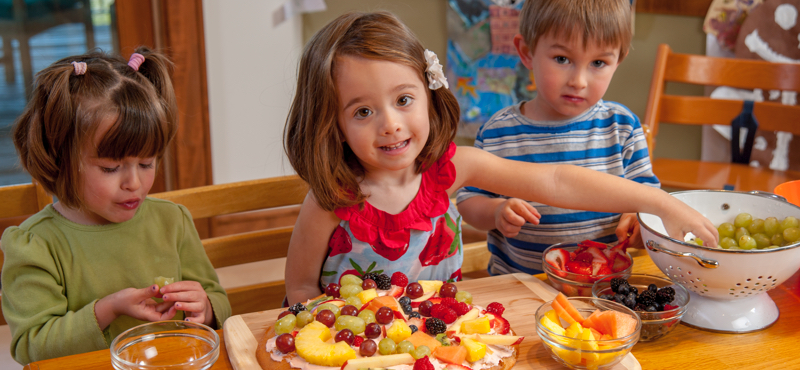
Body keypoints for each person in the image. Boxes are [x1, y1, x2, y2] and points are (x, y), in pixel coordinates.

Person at [282, 11, 718, 305]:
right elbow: (299, 287)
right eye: (363, 111)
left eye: (403, 99)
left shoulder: (453, 169)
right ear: (332, 123)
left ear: (430, 98)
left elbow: (558, 182)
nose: (391, 124)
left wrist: (660, 202)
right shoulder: (329, 198)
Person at [2, 48, 231, 365]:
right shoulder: (36, 244)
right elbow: (32, 347)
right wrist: (107, 308)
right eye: (110, 168)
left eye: (147, 163)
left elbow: (218, 301)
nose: (134, 183)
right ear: (60, 160)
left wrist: (204, 307)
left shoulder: (171, 220)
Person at [457, 0, 655, 275]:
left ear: (618, 61)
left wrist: (637, 218)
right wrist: (496, 211)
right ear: (527, 53)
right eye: (562, 59)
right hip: (518, 286)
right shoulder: (497, 131)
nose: (579, 81)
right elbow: (468, 203)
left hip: (601, 289)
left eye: (598, 62)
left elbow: (649, 198)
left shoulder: (622, 127)